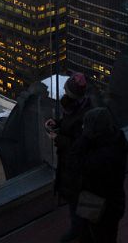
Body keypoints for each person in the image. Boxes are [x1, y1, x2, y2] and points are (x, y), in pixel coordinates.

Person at [72, 107, 128, 243]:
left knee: (98, 236)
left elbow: (76, 162)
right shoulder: (115, 140)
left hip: (99, 207)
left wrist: (84, 137)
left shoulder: (102, 156)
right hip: (111, 204)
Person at [47, 72, 91, 242]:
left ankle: (80, 232)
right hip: (70, 168)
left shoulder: (83, 114)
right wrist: (56, 123)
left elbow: (78, 145)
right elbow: (69, 124)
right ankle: (80, 231)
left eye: (67, 92)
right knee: (76, 204)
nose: (64, 94)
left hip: (76, 170)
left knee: (77, 203)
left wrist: (57, 138)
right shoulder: (76, 107)